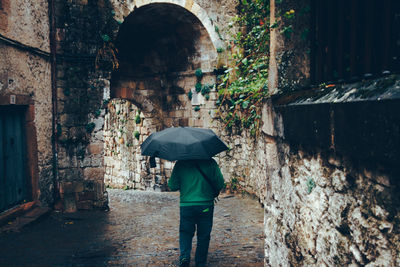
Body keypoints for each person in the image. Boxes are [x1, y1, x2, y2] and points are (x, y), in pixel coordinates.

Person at [168, 158, 225, 267]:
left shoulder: (180, 163)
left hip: (186, 206)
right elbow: (220, 184)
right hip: (206, 206)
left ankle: (184, 257)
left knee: (185, 233)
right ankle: (200, 263)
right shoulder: (210, 162)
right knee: (203, 235)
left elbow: (172, 186)